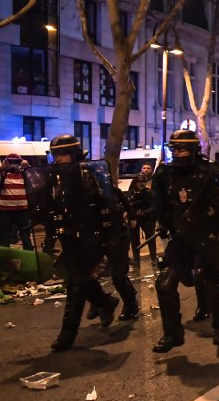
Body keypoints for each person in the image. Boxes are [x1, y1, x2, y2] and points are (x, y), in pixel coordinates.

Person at [151, 130, 219, 350]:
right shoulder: (164, 173)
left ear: (193, 150)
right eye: (175, 149)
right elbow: (159, 206)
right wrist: (161, 222)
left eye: (183, 149)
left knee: (208, 281)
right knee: (164, 283)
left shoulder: (212, 171)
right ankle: (173, 335)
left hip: (207, 237)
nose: (178, 153)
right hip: (181, 238)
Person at [32, 136, 122, 351]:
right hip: (69, 236)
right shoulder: (54, 176)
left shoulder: (87, 174)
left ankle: (68, 333)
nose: (59, 159)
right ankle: (105, 303)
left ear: (74, 154)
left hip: (89, 236)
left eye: (63, 154)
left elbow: (103, 203)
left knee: (76, 282)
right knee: (81, 278)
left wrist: (104, 237)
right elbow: (50, 204)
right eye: (56, 154)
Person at [0, 153, 34, 250]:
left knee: (26, 239)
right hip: (5, 211)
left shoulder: (25, 173)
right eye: (11, 162)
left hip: (23, 210)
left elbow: (38, 183)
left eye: (16, 162)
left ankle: (29, 262)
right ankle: (4, 262)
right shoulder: (3, 173)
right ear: (7, 163)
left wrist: (29, 168)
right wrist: (2, 168)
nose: (13, 164)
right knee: (4, 238)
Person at [126, 173, 157, 267]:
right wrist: (132, 217)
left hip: (147, 219)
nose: (141, 184)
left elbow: (154, 206)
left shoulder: (150, 193)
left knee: (150, 239)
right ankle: (136, 260)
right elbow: (128, 207)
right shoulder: (131, 193)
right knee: (134, 240)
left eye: (143, 182)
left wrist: (144, 212)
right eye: (139, 182)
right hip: (134, 219)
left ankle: (154, 258)